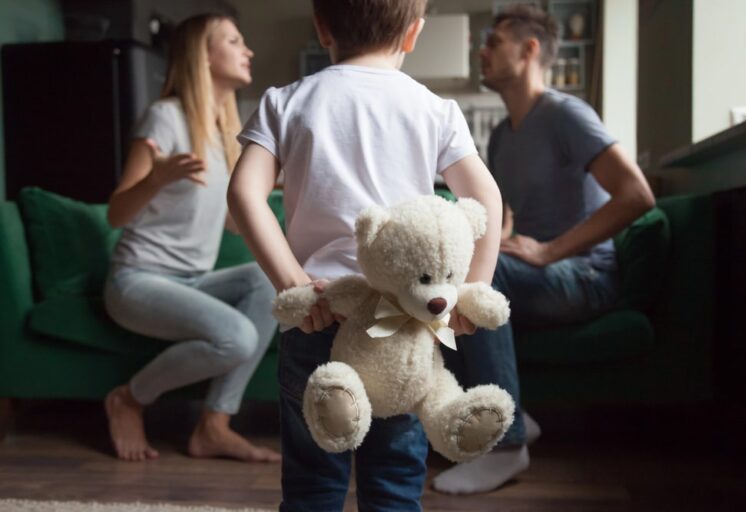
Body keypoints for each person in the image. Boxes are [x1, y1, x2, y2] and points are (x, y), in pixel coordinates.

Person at [227, 0, 505, 509]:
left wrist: (293, 282)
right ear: (414, 34)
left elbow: (244, 194)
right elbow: (485, 200)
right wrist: (471, 292)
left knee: (313, 482)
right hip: (407, 323)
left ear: (321, 26)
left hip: (321, 312)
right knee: (396, 482)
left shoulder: (285, 101)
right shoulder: (434, 108)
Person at [434, 4, 656, 495]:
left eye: (494, 41)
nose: (482, 50)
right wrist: (507, 241)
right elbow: (508, 217)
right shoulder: (500, 138)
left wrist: (549, 251)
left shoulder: (565, 115)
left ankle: (507, 445)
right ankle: (514, 413)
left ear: (530, 49)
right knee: (438, 284)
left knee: (482, 281)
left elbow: (637, 194)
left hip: (585, 277)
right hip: (540, 276)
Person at [102, 13, 281, 464]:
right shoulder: (164, 119)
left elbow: (234, 225)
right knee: (237, 337)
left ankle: (213, 426)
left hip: (192, 279)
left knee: (271, 282)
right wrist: (155, 180)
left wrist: (271, 190)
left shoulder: (227, 137)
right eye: (235, 41)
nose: (249, 51)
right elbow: (116, 214)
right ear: (203, 54)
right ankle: (129, 399)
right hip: (138, 282)